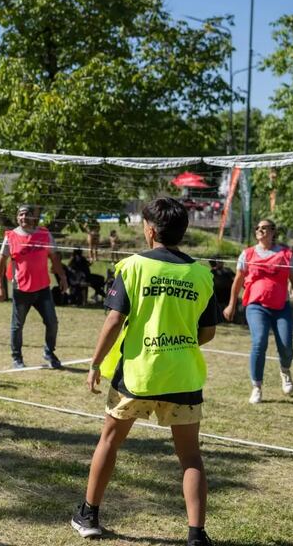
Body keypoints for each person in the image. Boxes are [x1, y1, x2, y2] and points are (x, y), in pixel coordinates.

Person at [72, 197, 217, 545]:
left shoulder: (133, 266)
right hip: (183, 377)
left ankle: (89, 515)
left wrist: (94, 363)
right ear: (183, 231)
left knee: (110, 439)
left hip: (138, 376)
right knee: (191, 456)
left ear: (150, 230)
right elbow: (208, 331)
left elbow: (113, 319)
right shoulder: (201, 273)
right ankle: (197, 535)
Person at [223, 218, 293, 404]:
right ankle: (257, 387)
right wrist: (230, 304)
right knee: (259, 342)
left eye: (265, 228)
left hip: (281, 307)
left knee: (286, 346)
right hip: (255, 306)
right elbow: (237, 281)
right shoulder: (248, 254)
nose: (261, 231)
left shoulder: (285, 254)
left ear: (273, 231)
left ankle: (285, 371)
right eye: (258, 228)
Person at [0, 204, 69, 369]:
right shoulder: (11, 236)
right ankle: (17, 358)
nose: (23, 218)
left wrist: (62, 277)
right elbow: (1, 262)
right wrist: (0, 285)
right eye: (20, 215)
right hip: (21, 289)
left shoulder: (44, 234)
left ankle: (49, 353)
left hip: (43, 288)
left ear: (34, 217)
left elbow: (55, 258)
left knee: (52, 323)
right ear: (17, 218)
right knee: (17, 325)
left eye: (26, 215)